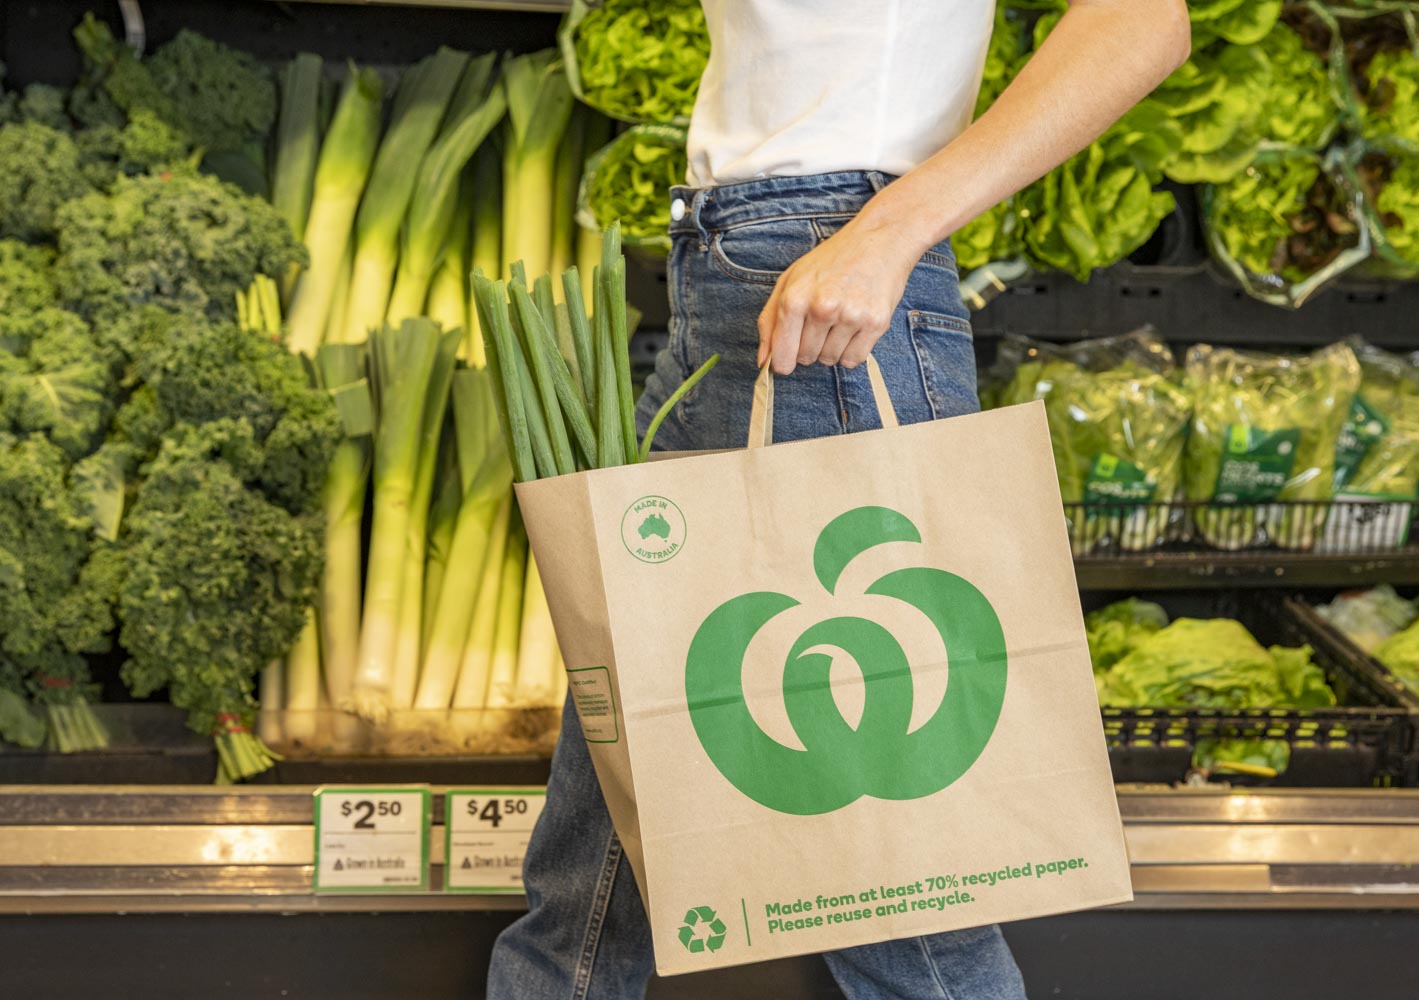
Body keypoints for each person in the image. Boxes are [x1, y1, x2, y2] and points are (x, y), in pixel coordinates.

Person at [490, 2, 1190, 997]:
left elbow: (1144, 22)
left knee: (900, 896)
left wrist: (889, 230)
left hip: (829, 276)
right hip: (733, 275)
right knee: (597, 850)